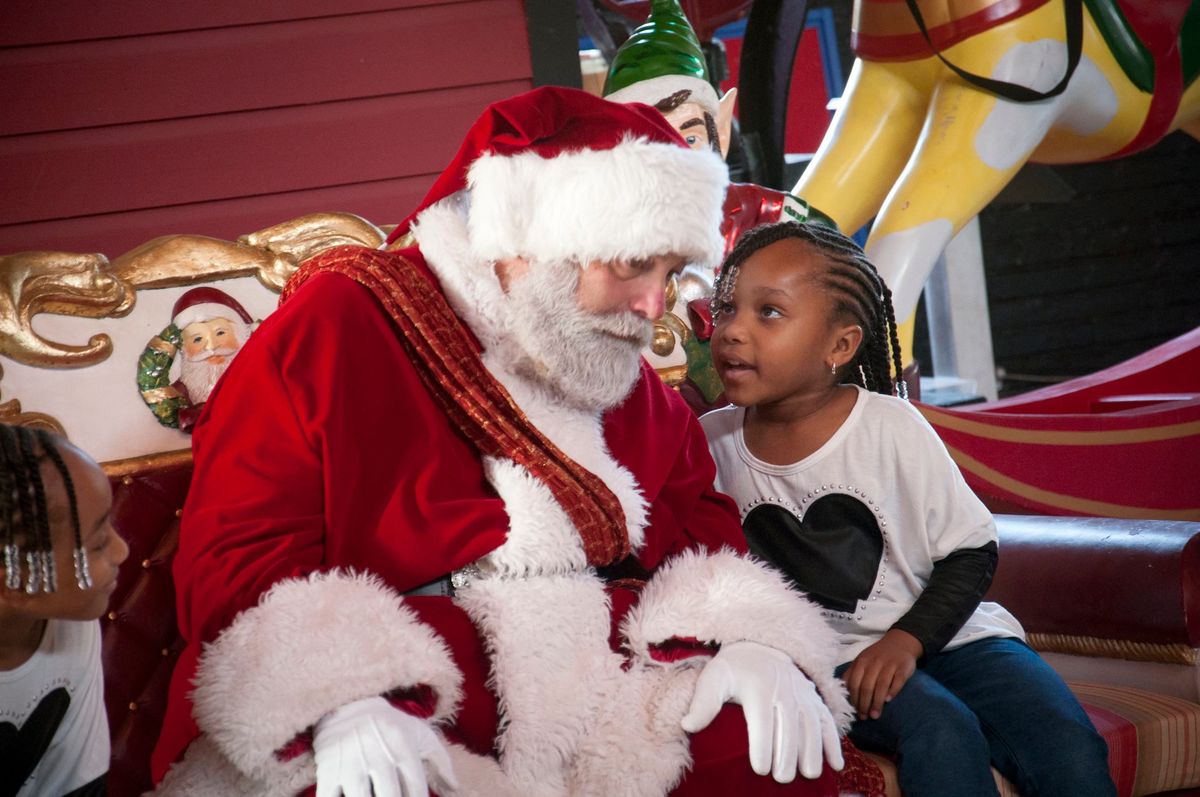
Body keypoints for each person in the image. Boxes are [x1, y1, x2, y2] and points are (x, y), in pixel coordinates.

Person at [149, 87, 854, 796]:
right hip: (409, 695)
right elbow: (233, 561)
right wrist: (341, 693)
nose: (652, 306)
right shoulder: (334, 324)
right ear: (528, 240)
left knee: (776, 754)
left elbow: (700, 522)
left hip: (602, 692)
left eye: (670, 274)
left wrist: (740, 638)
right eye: (634, 265)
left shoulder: (615, 366)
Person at [699, 221, 1116, 797]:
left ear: (839, 346)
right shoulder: (707, 444)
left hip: (951, 636)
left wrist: (906, 642)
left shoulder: (890, 426)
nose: (732, 332)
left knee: (1066, 742)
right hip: (835, 659)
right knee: (941, 731)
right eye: (725, 310)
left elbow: (970, 552)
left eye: (768, 313)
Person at [0, 423, 130, 796]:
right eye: (99, 542)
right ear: (12, 581)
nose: (123, 551)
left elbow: (78, 786)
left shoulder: (71, 621)